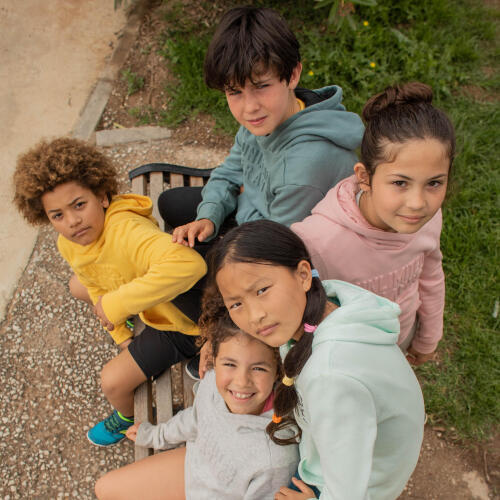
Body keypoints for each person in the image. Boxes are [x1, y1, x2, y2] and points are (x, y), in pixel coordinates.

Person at [202, 220, 425, 500]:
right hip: (352, 456)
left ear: (303, 274)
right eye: (236, 304)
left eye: (261, 291)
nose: (254, 315)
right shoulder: (331, 300)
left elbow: (348, 491)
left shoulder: (330, 375)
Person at [13, 137, 207, 447]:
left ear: (103, 196)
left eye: (79, 205)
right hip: (154, 301)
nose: (73, 222)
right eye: (57, 216)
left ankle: (128, 417)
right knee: (77, 285)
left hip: (184, 322)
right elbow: (93, 280)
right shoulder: (70, 241)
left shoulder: (126, 231)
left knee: (112, 383)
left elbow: (189, 265)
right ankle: (133, 335)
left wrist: (116, 304)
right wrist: (120, 333)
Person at [159, 5, 364, 248]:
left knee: (182, 269)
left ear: (293, 74)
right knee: (170, 203)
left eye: (262, 86)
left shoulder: (303, 167)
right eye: (235, 92)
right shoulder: (267, 116)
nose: (249, 107)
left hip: (282, 250)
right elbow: (229, 172)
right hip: (259, 215)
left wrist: (226, 234)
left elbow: (272, 249)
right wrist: (209, 216)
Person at [292, 82, 455, 365]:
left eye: (434, 183)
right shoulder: (317, 241)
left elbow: (431, 278)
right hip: (343, 361)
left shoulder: (427, 220)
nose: (418, 203)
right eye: (400, 183)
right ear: (365, 177)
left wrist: (427, 339)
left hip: (398, 339)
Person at [94, 324, 299, 500]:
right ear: (214, 359)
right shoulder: (213, 380)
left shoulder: (275, 458)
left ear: (277, 372)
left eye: (258, 368)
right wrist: (157, 435)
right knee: (103, 489)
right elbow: (196, 418)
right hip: (194, 468)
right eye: (229, 364)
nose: (241, 381)